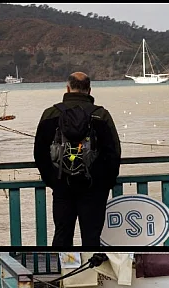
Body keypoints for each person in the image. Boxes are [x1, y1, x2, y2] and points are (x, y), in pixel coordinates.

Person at [33, 72, 121, 247]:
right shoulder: (101, 115)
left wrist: (53, 180)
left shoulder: (50, 113)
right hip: (94, 188)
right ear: (89, 90)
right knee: (91, 238)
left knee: (62, 236)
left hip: (62, 187)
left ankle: (65, 271)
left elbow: (40, 152)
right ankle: (90, 272)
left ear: (68, 88)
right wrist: (104, 183)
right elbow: (113, 153)